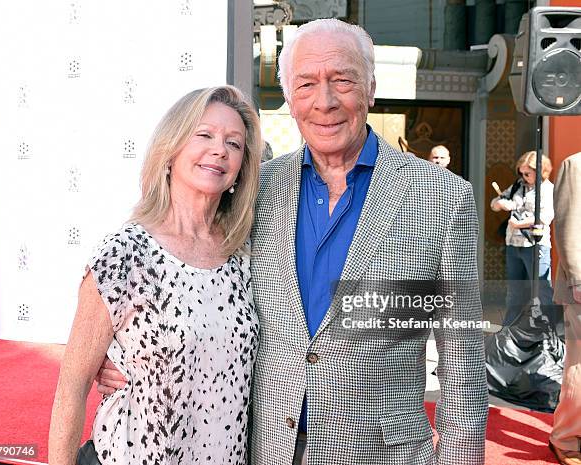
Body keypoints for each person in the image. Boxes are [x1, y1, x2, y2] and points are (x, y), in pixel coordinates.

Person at [99, 19, 488, 464]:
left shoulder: (441, 196)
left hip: (382, 452)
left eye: (342, 80)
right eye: (306, 84)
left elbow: (463, 360)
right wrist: (119, 353)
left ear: (370, 89)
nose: (324, 101)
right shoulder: (255, 189)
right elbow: (186, 265)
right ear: (289, 98)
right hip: (265, 446)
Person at [48, 86, 262, 465]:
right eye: (205, 135)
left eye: (234, 143)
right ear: (171, 150)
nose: (220, 150)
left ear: (240, 171)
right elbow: (71, 389)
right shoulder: (124, 253)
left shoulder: (243, 257)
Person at [490, 151, 555, 326]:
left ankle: (546, 330)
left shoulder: (548, 189)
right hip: (513, 244)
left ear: (540, 171)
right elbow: (495, 203)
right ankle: (509, 330)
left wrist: (518, 224)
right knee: (515, 291)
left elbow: (545, 217)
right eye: (521, 173)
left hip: (535, 244)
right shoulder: (518, 185)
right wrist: (500, 204)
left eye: (527, 173)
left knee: (541, 289)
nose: (523, 177)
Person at [549, 152, 581, 465]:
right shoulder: (576, 165)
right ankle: (566, 437)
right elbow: (568, 227)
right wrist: (578, 279)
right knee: (580, 363)